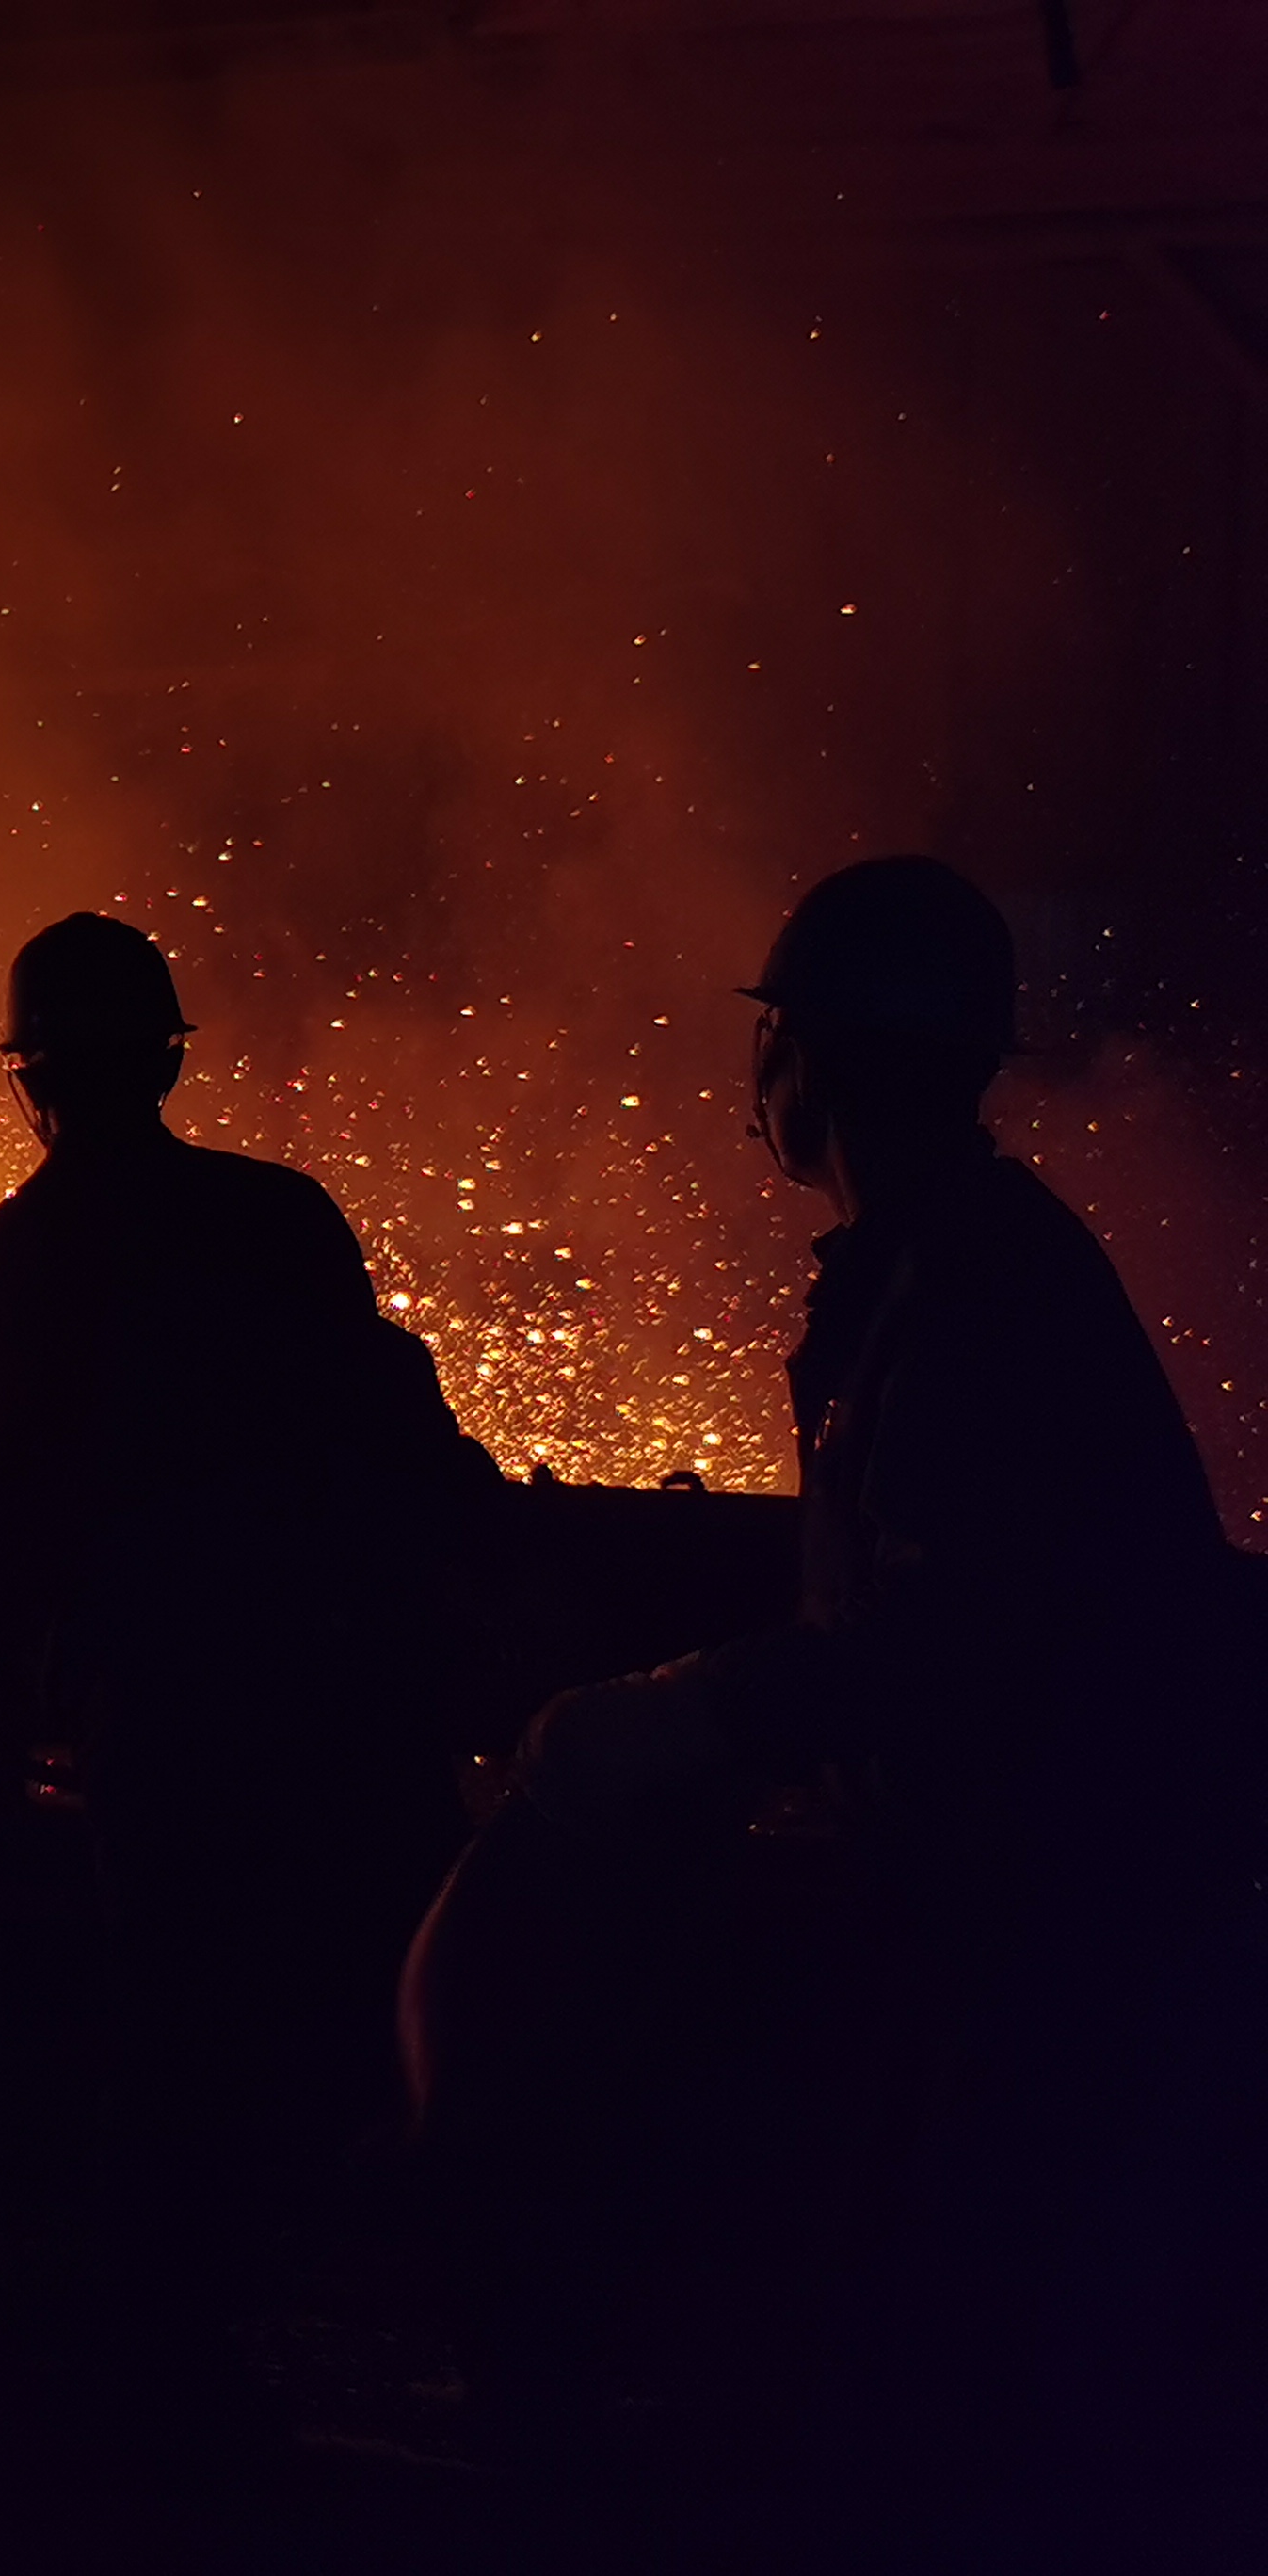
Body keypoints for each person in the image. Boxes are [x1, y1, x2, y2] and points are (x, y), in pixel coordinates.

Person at [408, 856, 1260, 2551]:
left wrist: (695, 1711)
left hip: (1061, 1928)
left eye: (775, 1034)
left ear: (816, 1056)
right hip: (1038, 1900)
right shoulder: (938, 1265)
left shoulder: (975, 1293)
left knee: (963, 2388)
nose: (759, 1076)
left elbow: (966, 1643)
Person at [0, 912, 493, 2417]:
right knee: (355, 2071)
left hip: (157, 1751)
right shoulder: (277, 1226)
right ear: (167, 1054)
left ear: (22, 1079)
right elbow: (401, 1472)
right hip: (341, 1733)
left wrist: (0, 1705)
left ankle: (171, 2396)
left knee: (175, 2074)